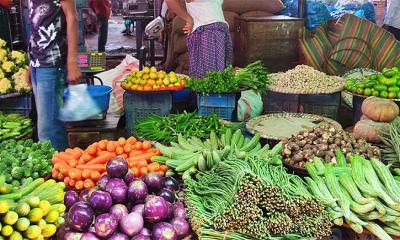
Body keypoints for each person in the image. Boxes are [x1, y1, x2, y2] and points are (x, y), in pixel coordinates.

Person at [28, 0, 82, 150]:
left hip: (52, 62)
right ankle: (58, 167)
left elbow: (72, 17)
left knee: (49, 130)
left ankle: (57, 169)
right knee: (46, 125)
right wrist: (31, 63)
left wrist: (72, 61)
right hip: (37, 62)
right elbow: (36, 26)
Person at [164, 0, 232, 78]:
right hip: (207, 33)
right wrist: (188, 18)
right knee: (210, 80)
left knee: (222, 78)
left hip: (221, 31)